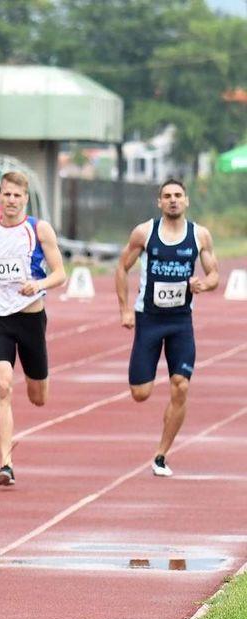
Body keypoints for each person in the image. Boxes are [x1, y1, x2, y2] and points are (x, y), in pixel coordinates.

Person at [114, 179, 219, 477]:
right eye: (167, 196)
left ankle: (161, 455)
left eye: (178, 196)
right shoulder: (145, 233)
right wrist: (124, 309)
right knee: (140, 393)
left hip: (180, 322)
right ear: (159, 202)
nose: (173, 200)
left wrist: (204, 284)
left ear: (186, 201)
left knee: (181, 386)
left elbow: (214, 275)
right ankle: (149, 372)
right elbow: (122, 267)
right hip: (149, 320)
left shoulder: (199, 235)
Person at [0, 172, 65, 487]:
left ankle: (37, 382)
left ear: (25, 198)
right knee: (3, 385)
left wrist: (38, 283)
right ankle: (5, 462)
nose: (11, 201)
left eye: (16, 196)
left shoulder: (39, 230)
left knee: (38, 396)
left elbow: (61, 273)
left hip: (32, 319)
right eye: (6, 195)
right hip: (1, 320)